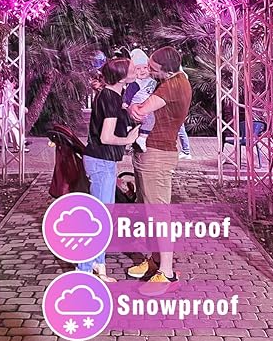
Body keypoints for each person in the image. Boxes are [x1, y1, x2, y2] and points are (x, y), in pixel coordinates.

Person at [128, 46, 192, 286]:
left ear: (167, 70)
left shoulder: (172, 85)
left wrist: (132, 108)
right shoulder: (171, 81)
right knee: (148, 211)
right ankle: (155, 260)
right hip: (151, 153)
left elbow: (141, 111)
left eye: (153, 68)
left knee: (158, 214)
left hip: (157, 154)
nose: (149, 71)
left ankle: (166, 271)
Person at [77, 57, 140, 282]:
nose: (137, 70)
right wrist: (128, 139)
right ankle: (84, 269)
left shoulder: (111, 95)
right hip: (101, 161)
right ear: (122, 76)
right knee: (100, 218)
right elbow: (106, 137)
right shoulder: (110, 98)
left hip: (103, 161)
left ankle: (97, 264)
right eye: (132, 68)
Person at [122, 49, 157, 153]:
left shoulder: (152, 80)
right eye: (138, 68)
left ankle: (135, 139)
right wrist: (126, 104)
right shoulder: (135, 83)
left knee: (147, 121)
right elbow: (128, 94)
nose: (142, 71)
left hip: (147, 105)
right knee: (150, 119)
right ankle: (142, 138)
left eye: (145, 67)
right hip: (137, 106)